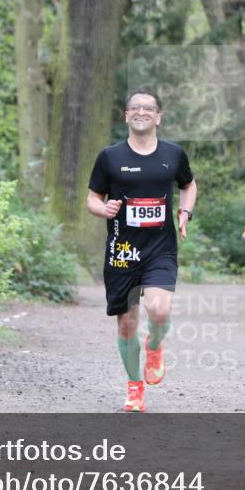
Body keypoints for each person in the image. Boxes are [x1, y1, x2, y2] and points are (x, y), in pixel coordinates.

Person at [87, 89, 197, 412]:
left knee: (160, 311)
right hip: (122, 251)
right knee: (126, 325)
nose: (141, 111)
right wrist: (101, 209)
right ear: (126, 116)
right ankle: (135, 386)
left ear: (158, 117)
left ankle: (155, 345)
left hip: (159, 249)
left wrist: (184, 212)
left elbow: (188, 185)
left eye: (148, 108)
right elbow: (92, 197)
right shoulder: (110, 157)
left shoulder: (173, 155)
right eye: (135, 107)